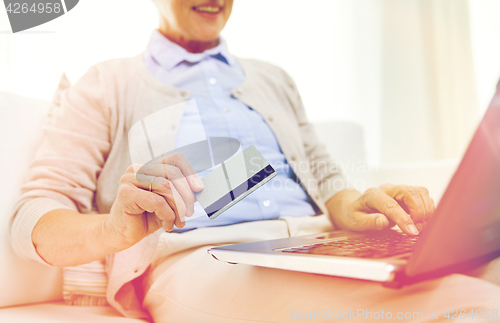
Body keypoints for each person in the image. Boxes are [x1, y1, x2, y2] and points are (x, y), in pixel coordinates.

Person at [10, 0, 500, 322]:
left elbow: (328, 179)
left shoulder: (274, 79)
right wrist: (112, 232)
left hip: (320, 242)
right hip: (202, 255)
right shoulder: (107, 83)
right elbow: (32, 218)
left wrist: (357, 205)